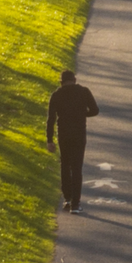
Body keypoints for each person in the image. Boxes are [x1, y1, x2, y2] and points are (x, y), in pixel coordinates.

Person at [46, 67, 105, 209]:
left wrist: (49, 140)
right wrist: (82, 114)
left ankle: (67, 198)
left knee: (65, 165)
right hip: (78, 134)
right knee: (77, 168)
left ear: (61, 82)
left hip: (63, 134)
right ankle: (75, 204)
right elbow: (95, 110)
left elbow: (51, 119)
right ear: (74, 80)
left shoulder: (56, 95)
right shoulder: (84, 92)